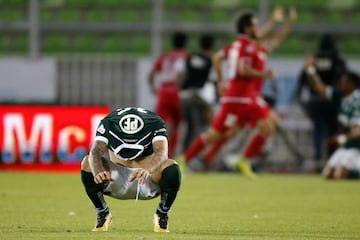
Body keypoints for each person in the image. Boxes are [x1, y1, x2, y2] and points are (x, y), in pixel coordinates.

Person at [202, 7, 300, 174]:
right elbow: (260, 37)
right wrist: (274, 21)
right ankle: (244, 157)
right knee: (236, 129)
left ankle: (235, 157)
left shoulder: (262, 51)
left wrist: (289, 23)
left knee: (234, 130)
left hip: (252, 97)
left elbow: (277, 38)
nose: (262, 35)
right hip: (247, 97)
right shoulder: (249, 50)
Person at [177, 12, 275, 177]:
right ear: (247, 28)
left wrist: (221, 81)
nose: (258, 29)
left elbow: (217, 58)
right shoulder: (247, 46)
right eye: (255, 25)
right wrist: (264, 75)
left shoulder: (237, 44)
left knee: (267, 126)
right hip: (238, 98)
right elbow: (242, 69)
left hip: (244, 98)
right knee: (214, 134)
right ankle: (185, 159)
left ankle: (243, 160)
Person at [80, 107, 181, 232]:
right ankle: (102, 212)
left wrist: (148, 169)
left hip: (146, 177)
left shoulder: (155, 122)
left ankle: (162, 213)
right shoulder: (109, 122)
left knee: (172, 167)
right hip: (115, 178)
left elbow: (162, 152)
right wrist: (98, 171)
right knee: (87, 163)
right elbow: (95, 151)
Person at [297, 34, 347, 170]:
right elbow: (343, 79)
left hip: (315, 102)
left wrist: (303, 104)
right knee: (332, 131)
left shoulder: (314, 59)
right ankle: (331, 161)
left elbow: (302, 82)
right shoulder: (337, 59)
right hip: (332, 101)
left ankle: (319, 158)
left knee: (318, 130)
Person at [305, 59, 360, 179]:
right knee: (328, 174)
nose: (340, 84)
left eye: (343, 82)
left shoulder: (357, 102)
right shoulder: (340, 97)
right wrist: (311, 70)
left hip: (357, 147)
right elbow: (320, 88)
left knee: (340, 175)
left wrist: (340, 139)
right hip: (347, 146)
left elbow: (358, 131)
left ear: (352, 85)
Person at [148, 32, 188, 158]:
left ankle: (155, 153)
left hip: (164, 91)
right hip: (177, 92)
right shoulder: (186, 57)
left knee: (160, 124)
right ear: (185, 43)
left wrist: (153, 88)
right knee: (177, 124)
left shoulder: (165, 56)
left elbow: (151, 74)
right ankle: (170, 154)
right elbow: (181, 74)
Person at [175, 34, 215, 150]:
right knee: (206, 127)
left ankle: (184, 154)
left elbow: (179, 76)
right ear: (212, 46)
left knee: (190, 127)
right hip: (199, 97)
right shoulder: (211, 59)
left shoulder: (190, 57)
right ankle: (192, 157)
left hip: (184, 96)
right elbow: (213, 80)